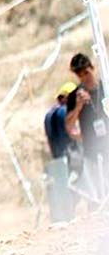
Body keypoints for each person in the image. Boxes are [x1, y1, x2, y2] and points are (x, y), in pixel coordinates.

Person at [65, 53, 108, 197]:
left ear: (92, 68)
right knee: (99, 196)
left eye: (86, 72)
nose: (84, 77)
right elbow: (69, 126)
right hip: (92, 153)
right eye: (80, 74)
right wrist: (78, 107)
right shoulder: (75, 96)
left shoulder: (105, 87)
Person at [46, 81, 77, 160]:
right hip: (72, 157)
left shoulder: (49, 114)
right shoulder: (64, 111)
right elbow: (73, 134)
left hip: (58, 158)